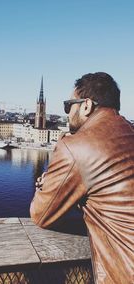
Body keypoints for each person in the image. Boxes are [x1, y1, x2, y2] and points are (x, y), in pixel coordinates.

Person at [30, 72, 134, 284]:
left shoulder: (76, 145)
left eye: (69, 106)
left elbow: (41, 215)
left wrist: (48, 184)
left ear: (86, 105)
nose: (67, 113)